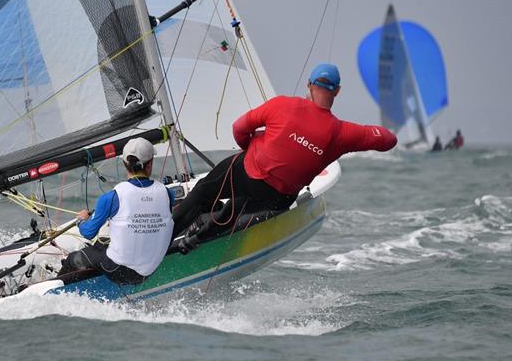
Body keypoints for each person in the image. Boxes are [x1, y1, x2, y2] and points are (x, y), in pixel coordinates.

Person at [172, 63, 397, 248]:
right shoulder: (343, 133)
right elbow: (388, 139)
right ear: (337, 91)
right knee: (235, 207)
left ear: (309, 85)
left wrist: (248, 147)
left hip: (248, 172)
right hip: (278, 198)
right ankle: (197, 240)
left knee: (203, 191)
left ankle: (162, 242)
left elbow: (239, 128)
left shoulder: (283, 105)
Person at [58, 137, 175, 285]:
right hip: (150, 270)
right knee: (102, 247)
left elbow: (88, 233)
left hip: (118, 271)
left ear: (124, 164)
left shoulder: (111, 197)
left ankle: (52, 294)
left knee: (73, 259)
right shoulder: (168, 194)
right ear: (150, 164)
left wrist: (81, 220)